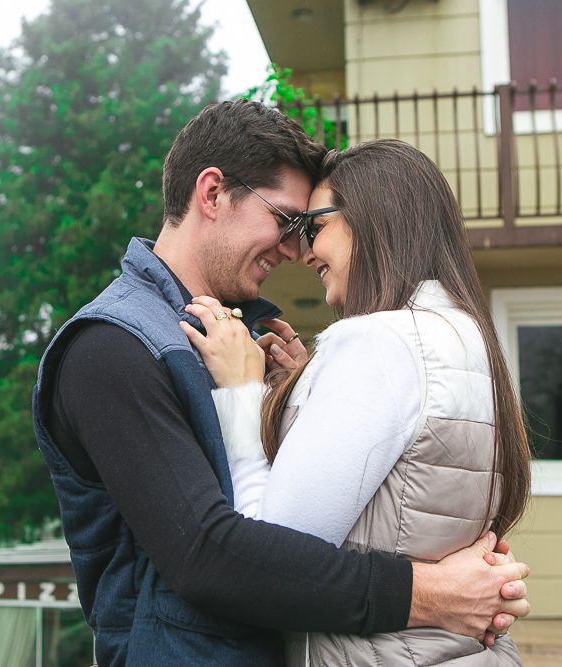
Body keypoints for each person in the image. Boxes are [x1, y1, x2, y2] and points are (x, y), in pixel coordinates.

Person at [31, 101, 530, 667]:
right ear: (213, 194)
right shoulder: (110, 349)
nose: (297, 250)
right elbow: (208, 558)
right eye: (287, 220)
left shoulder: (249, 346)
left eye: (308, 228)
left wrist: (290, 398)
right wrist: (428, 593)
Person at [180, 138, 532, 665]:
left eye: (314, 226)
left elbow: (275, 552)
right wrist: (304, 390)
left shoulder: (377, 344)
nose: (302, 252)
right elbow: (409, 497)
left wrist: (241, 391)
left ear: (371, 217)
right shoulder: (463, 336)